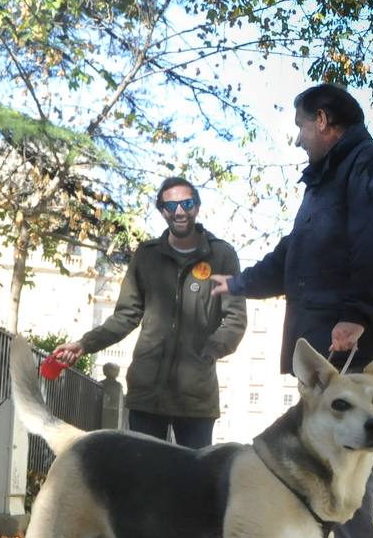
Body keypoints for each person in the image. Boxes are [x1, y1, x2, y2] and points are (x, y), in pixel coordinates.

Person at [210, 83, 373, 538]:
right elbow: (292, 256)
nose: (299, 139)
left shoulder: (372, 169)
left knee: (351, 470)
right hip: (325, 345)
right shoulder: (323, 183)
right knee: (312, 468)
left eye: (302, 126)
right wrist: (239, 283)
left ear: (324, 121)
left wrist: (357, 314)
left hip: (358, 344)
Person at [50, 177, 245, 448]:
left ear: (197, 208)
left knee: (196, 484)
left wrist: (210, 350)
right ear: (162, 211)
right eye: (171, 205)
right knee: (143, 481)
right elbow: (125, 316)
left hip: (197, 397)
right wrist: (84, 344)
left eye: (186, 204)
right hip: (147, 392)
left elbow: (235, 319)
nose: (179, 211)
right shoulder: (147, 255)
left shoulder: (221, 255)